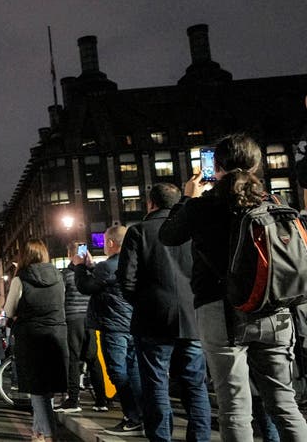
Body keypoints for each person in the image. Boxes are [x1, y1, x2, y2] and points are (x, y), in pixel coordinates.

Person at [159, 133, 307, 441]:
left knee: (235, 408)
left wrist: (187, 198)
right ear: (257, 165)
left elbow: (168, 236)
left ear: (217, 167)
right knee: (284, 404)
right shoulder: (274, 204)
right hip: (275, 310)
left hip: (220, 311)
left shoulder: (202, 207)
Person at [117, 183, 211, 441]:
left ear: (151, 203)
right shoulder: (193, 230)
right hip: (192, 317)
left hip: (152, 318)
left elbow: (126, 280)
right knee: (195, 385)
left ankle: (161, 437)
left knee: (155, 383)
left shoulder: (139, 231)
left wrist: (142, 301)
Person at [73, 224, 142, 436]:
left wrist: (79, 266)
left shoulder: (108, 266)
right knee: (134, 370)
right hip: (133, 323)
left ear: (111, 243)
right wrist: (92, 267)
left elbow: (85, 287)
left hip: (113, 325)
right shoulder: (133, 262)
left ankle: (132, 416)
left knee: (117, 370)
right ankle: (141, 414)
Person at [5, 240, 67, 442]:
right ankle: (37, 432)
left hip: (31, 338)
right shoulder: (58, 276)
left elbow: (9, 311)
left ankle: (49, 435)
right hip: (56, 335)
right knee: (47, 390)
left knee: (37, 389)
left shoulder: (20, 279)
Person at [56, 242, 103, 414]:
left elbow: (60, 298)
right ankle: (101, 400)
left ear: (70, 255)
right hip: (90, 319)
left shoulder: (65, 275)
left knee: (73, 360)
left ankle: (73, 399)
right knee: (93, 359)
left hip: (72, 319)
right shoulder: (92, 273)